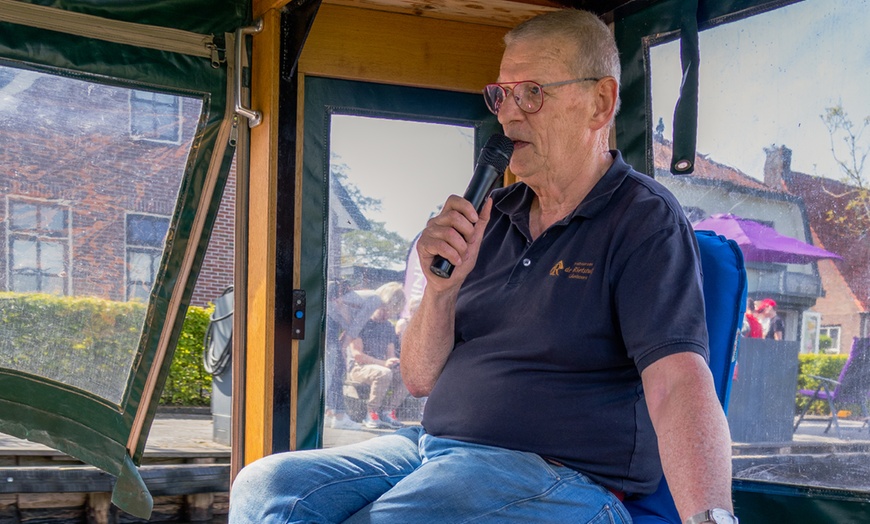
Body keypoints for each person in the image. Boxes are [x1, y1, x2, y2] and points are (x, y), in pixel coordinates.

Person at [228, 9, 735, 524]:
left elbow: (678, 385)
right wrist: (441, 290)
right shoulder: (491, 216)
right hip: (429, 447)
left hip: (558, 478)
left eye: (532, 93)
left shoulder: (643, 219)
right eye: (501, 95)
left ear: (599, 102)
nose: (509, 115)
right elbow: (418, 378)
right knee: (266, 486)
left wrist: (710, 519)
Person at [324, 281, 406, 430]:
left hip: (330, 320)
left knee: (334, 369)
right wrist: (343, 347)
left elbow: (350, 322)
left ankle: (332, 413)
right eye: (391, 309)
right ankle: (339, 415)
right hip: (330, 321)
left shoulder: (372, 301)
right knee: (334, 369)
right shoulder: (374, 300)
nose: (389, 313)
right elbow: (355, 328)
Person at [346, 295, 410, 428]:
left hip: (380, 368)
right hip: (358, 368)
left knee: (408, 376)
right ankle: (371, 412)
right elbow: (358, 356)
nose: (387, 314)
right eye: (384, 310)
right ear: (376, 307)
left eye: (390, 311)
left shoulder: (388, 327)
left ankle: (388, 411)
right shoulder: (361, 323)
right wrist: (383, 364)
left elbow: (390, 355)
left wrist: (394, 362)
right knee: (384, 373)